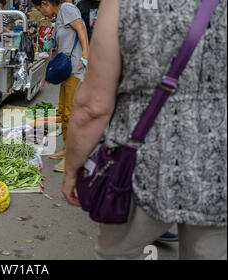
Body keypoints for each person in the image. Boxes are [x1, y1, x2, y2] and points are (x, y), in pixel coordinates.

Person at [62, 0, 227, 260]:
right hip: (218, 169)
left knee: (116, 254)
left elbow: (93, 106)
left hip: (139, 167)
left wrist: (72, 169)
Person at [33, 0, 89, 172]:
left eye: (40, 9)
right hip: (66, 70)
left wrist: (85, 55)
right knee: (64, 110)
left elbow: (81, 29)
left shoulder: (67, 8)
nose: (42, 13)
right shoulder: (58, 16)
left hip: (75, 69)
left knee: (71, 112)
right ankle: (66, 148)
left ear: (45, 3)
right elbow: (59, 47)